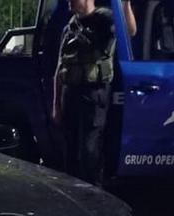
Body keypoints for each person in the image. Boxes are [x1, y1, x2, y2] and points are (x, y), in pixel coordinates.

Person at [52, 0, 136, 186]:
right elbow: (59, 69)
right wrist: (56, 105)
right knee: (70, 152)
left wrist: (126, 4)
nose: (70, 2)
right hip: (70, 95)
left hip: (93, 95)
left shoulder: (105, 19)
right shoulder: (69, 28)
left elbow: (129, 31)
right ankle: (74, 196)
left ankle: (95, 197)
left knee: (90, 152)